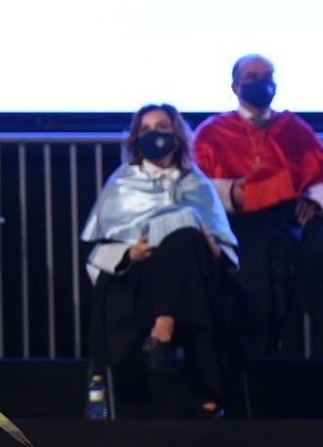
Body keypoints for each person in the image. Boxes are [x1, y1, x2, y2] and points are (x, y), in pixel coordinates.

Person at [81, 104, 240, 417]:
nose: (155, 134)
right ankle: (209, 394)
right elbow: (97, 254)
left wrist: (211, 246)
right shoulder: (122, 184)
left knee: (187, 237)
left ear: (177, 136)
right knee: (186, 250)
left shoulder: (199, 184)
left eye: (163, 127)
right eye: (146, 129)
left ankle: (163, 326)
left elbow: (227, 255)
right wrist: (130, 252)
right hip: (142, 279)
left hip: (197, 273)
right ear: (136, 139)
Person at [192, 55, 323, 356]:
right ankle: (258, 351)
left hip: (290, 218)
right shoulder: (212, 131)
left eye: (267, 76)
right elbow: (197, 188)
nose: (262, 83)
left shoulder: (293, 127)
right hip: (239, 222)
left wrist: (312, 199)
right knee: (258, 263)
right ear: (236, 86)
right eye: (252, 77)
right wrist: (234, 194)